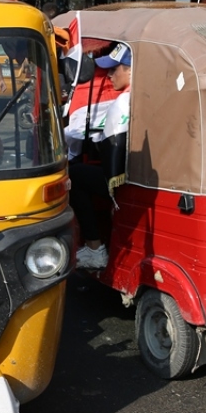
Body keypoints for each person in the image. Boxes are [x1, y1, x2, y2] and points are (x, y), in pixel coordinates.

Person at [72, 42, 132, 270]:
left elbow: (113, 159)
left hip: (125, 182)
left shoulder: (124, 102)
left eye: (114, 69)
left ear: (130, 70)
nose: (108, 76)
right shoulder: (144, 95)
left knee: (75, 175)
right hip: (137, 174)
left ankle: (95, 248)